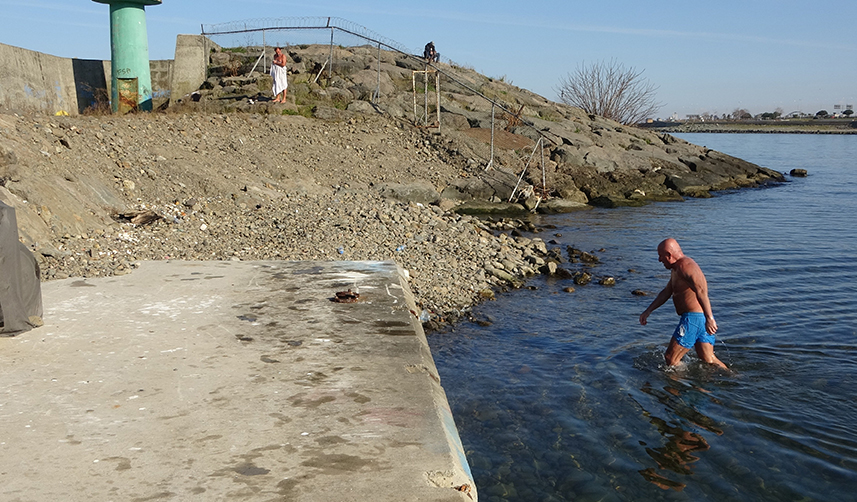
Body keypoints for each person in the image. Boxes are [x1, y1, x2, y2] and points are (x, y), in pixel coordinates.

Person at [639, 238, 727, 369]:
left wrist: (710, 318)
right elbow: (666, 292)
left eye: (661, 256)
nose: (659, 260)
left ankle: (677, 388)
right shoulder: (677, 269)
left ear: (669, 255)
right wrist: (648, 311)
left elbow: (701, 290)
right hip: (699, 319)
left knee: (670, 359)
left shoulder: (685, 266)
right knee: (709, 359)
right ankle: (734, 377)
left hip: (693, 319)